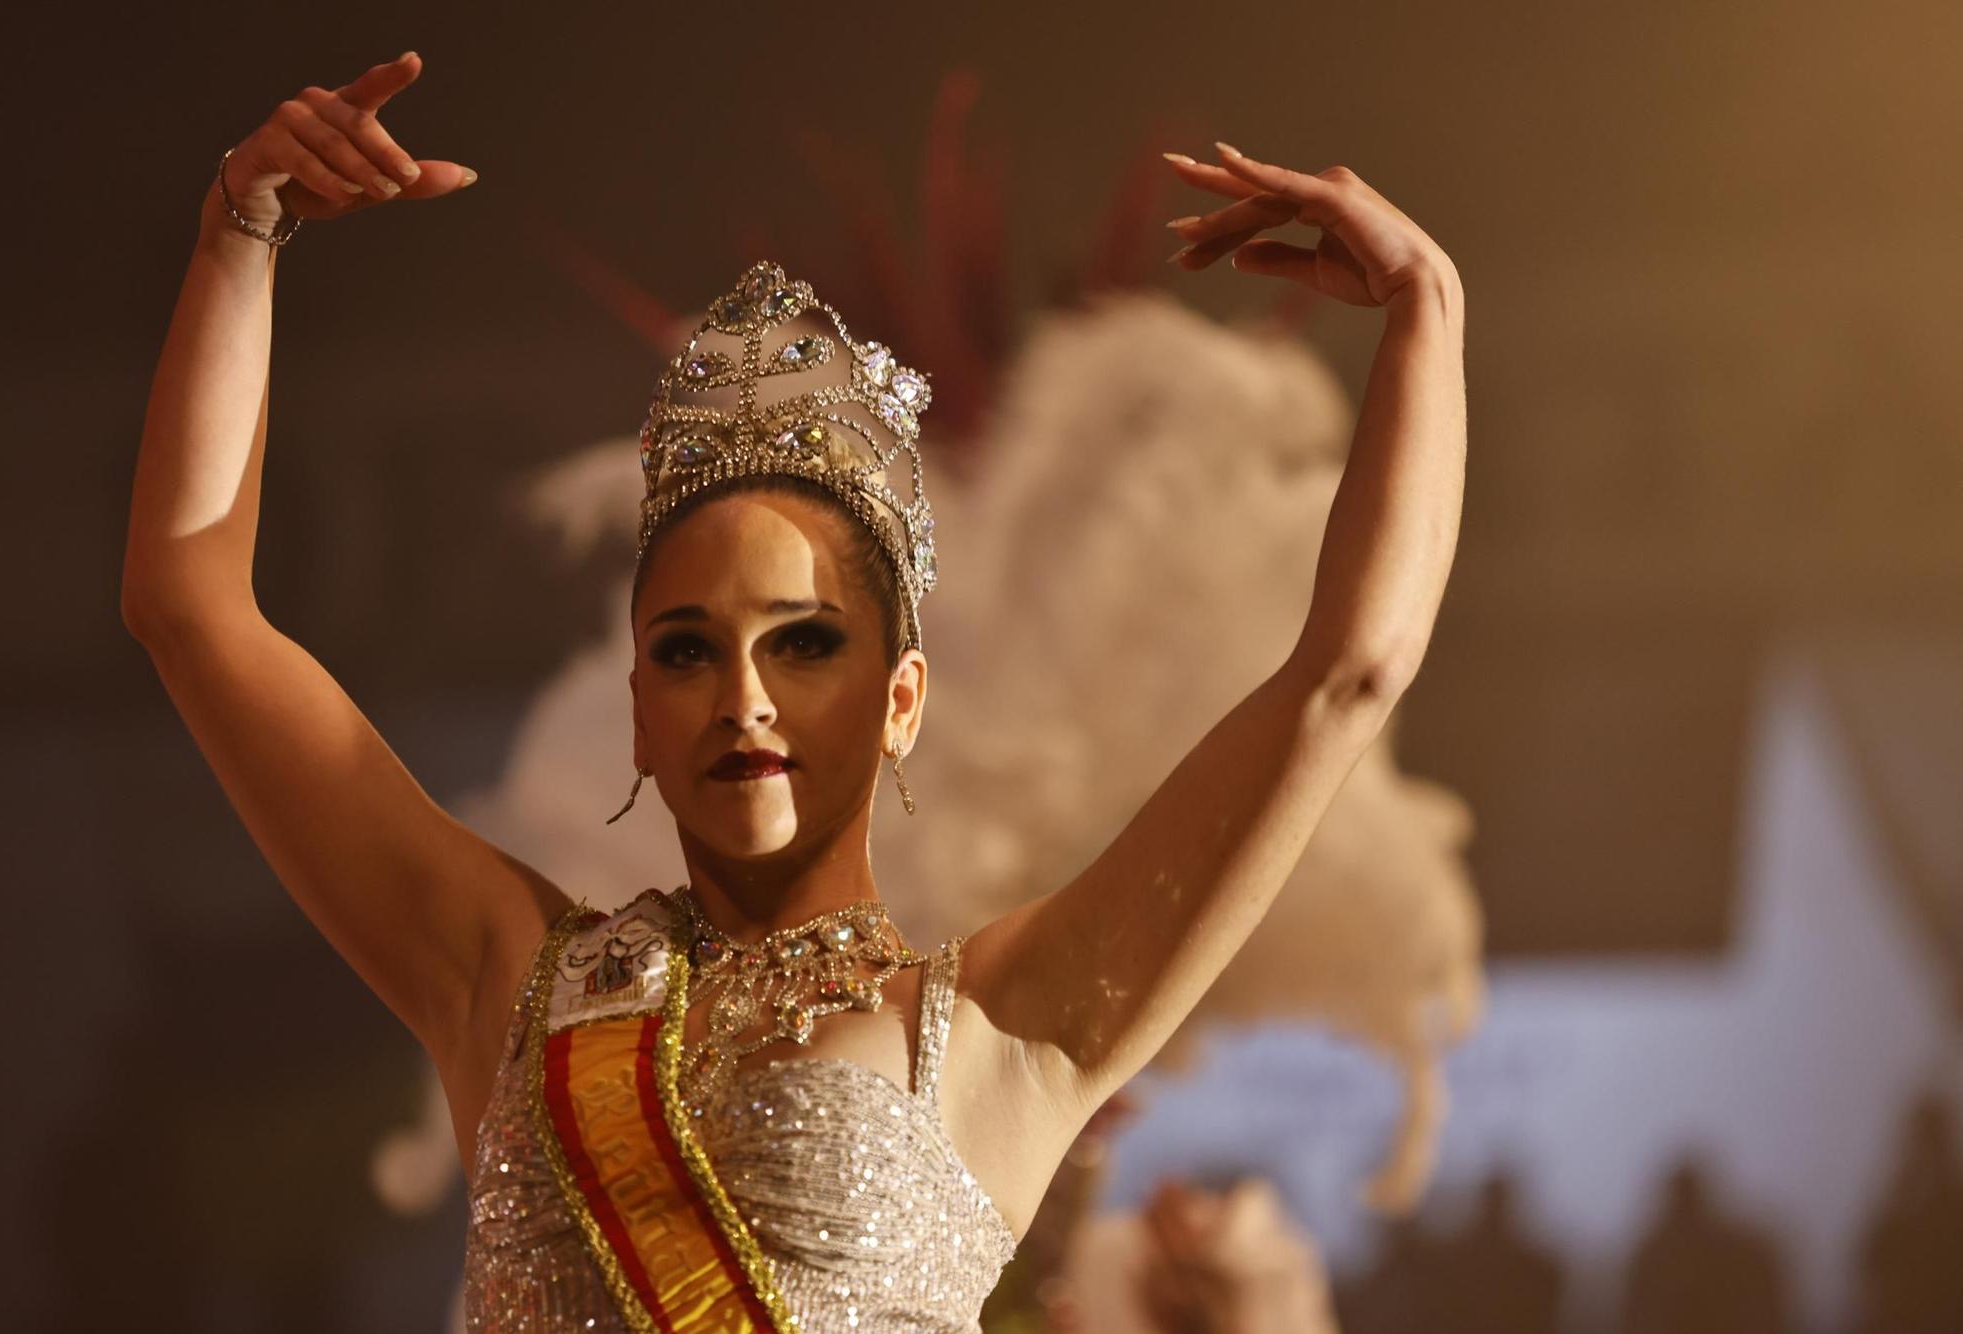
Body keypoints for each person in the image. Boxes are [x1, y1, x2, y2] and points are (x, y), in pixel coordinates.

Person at [121, 49, 1466, 1334]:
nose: (742, 697)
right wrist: (239, 235)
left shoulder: (1007, 1031)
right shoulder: (507, 980)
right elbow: (188, 609)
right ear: (640, 707)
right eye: (689, 649)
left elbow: (1343, 675)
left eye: (806, 643)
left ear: (902, 697)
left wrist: (1429, 316)